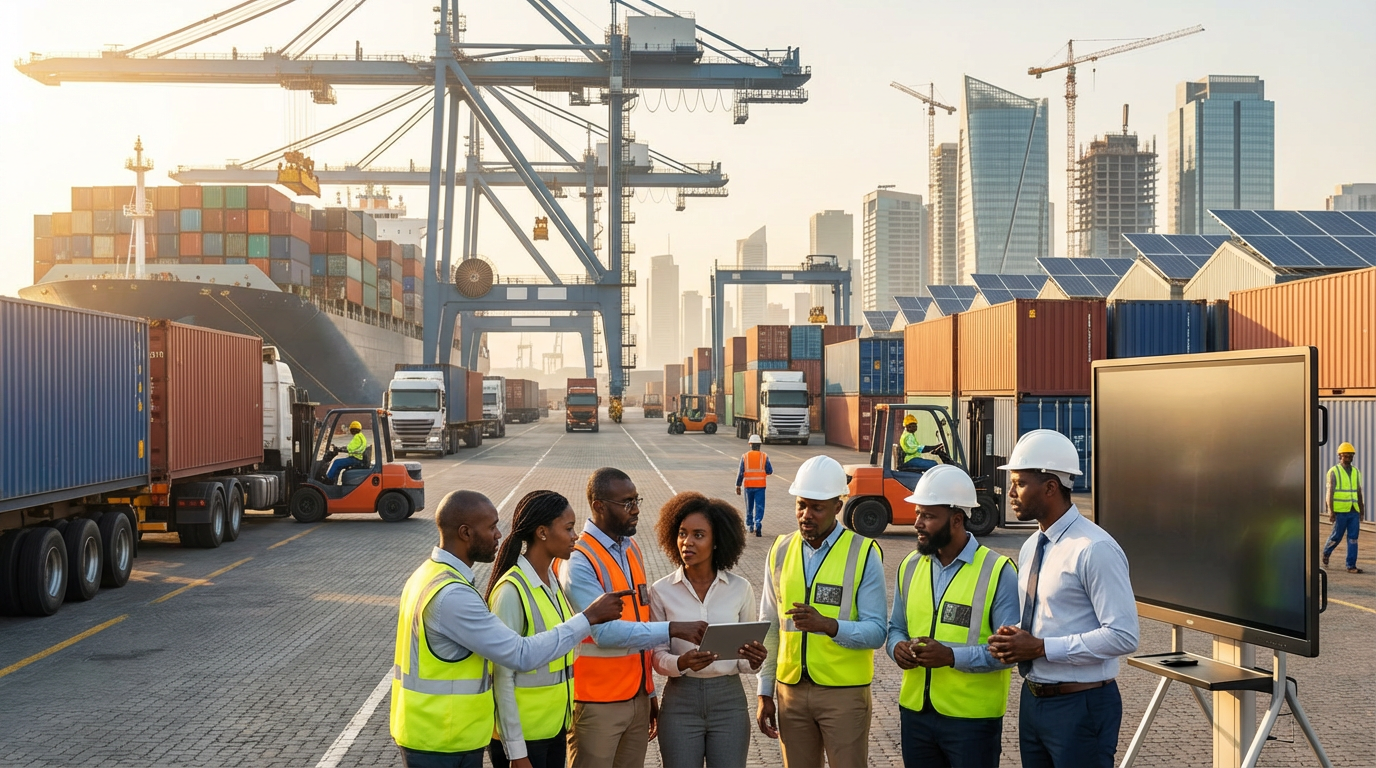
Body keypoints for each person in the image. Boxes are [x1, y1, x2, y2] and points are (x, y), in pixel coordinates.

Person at [389, 490, 629, 768]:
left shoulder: (428, 576)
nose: (499, 535)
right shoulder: (454, 594)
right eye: (491, 527)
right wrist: (587, 618)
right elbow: (519, 655)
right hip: (442, 740)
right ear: (465, 532)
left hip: (440, 735)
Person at [986, 430, 1139, 768]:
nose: (1010, 493)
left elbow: (1123, 635)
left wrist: (1041, 648)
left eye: (1020, 483)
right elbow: (1050, 617)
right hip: (1034, 700)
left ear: (1050, 487)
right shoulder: (1032, 546)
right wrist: (1014, 639)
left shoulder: (1094, 549)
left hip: (1082, 705)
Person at [558, 468, 709, 768]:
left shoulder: (631, 549)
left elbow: (640, 619)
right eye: (627, 503)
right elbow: (604, 633)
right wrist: (673, 629)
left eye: (636, 500)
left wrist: (648, 691)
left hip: (636, 697)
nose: (636, 509)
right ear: (599, 506)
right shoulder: (579, 559)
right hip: (596, 705)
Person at [756, 455, 887, 768]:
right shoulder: (780, 549)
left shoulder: (863, 552)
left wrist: (829, 625)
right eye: (801, 505)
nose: (806, 515)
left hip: (844, 694)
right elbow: (769, 625)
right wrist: (764, 691)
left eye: (817, 508)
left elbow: (877, 631)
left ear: (837, 507)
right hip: (790, 692)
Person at [888, 465, 1020, 768]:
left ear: (957, 519)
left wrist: (950, 657)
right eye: (918, 514)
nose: (918, 523)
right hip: (916, 714)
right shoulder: (909, 566)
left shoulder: (998, 571)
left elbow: (1009, 654)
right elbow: (896, 627)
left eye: (928, 516)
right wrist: (896, 647)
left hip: (972, 722)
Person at [650, 492, 768, 768]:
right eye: (682, 533)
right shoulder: (661, 591)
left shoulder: (740, 589)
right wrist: (681, 662)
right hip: (680, 701)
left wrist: (754, 660)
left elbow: (743, 663)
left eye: (699, 535)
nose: (687, 542)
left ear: (717, 542)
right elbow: (655, 656)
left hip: (729, 701)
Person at [485, 490, 584, 768]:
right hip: (523, 742)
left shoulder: (552, 581)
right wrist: (516, 752)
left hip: (553, 730)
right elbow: (502, 678)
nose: (575, 536)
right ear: (542, 532)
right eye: (568, 528)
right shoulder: (511, 590)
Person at [1323, 442, 1365, 574]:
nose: (1349, 458)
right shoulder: (1334, 471)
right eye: (1346, 456)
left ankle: (1351, 565)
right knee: (1336, 536)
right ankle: (1326, 552)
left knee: (1353, 538)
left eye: (1351, 456)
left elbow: (1358, 492)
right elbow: (1330, 493)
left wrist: (1361, 510)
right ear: (1340, 456)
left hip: (1353, 511)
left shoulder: (1356, 472)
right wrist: (1331, 512)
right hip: (1340, 511)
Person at [736, 434, 774, 537]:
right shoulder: (764, 456)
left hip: (748, 486)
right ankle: (758, 523)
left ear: (750, 444)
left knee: (749, 507)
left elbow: (741, 472)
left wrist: (738, 485)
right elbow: (770, 471)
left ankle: (750, 525)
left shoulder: (745, 456)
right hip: (760, 486)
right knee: (760, 506)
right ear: (760, 445)